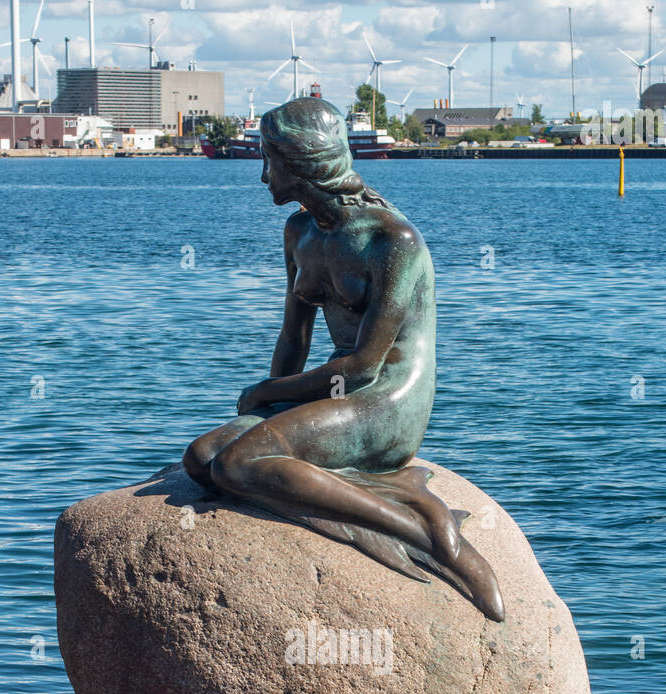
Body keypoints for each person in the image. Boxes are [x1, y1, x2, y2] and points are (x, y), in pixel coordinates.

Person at [183, 97, 504, 621]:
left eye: (271, 159)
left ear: (304, 162)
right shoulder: (299, 234)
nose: (264, 175)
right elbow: (294, 336)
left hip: (387, 395)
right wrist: (266, 409)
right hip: (332, 390)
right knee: (203, 459)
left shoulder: (390, 240)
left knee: (239, 463)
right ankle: (350, 487)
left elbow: (364, 366)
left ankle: (431, 535)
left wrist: (267, 398)